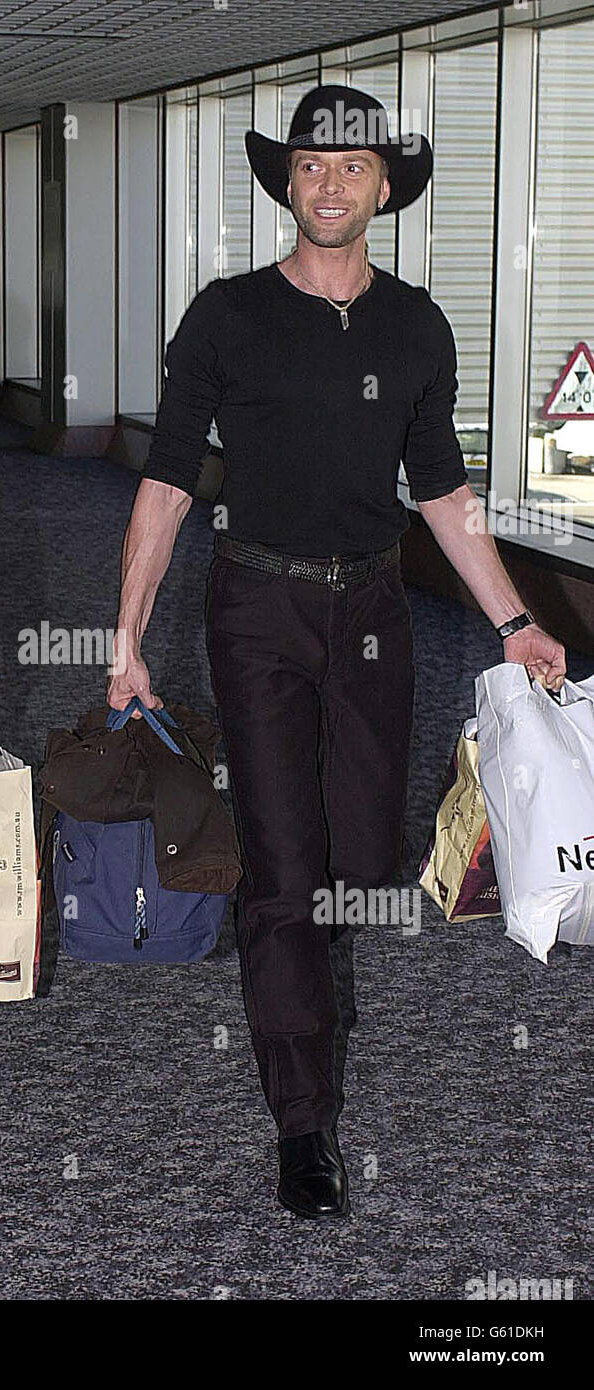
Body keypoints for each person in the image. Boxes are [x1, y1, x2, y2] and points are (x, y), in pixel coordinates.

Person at [108, 85, 567, 1221]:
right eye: (308, 164)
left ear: (381, 190)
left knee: (359, 861)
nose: (327, 183)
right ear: (285, 181)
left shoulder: (416, 325)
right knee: (282, 869)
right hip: (255, 607)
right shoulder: (224, 316)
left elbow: (444, 490)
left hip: (368, 613)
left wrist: (513, 620)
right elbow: (166, 480)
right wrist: (121, 635)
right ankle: (301, 1121)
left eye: (349, 168)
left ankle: (309, 978)